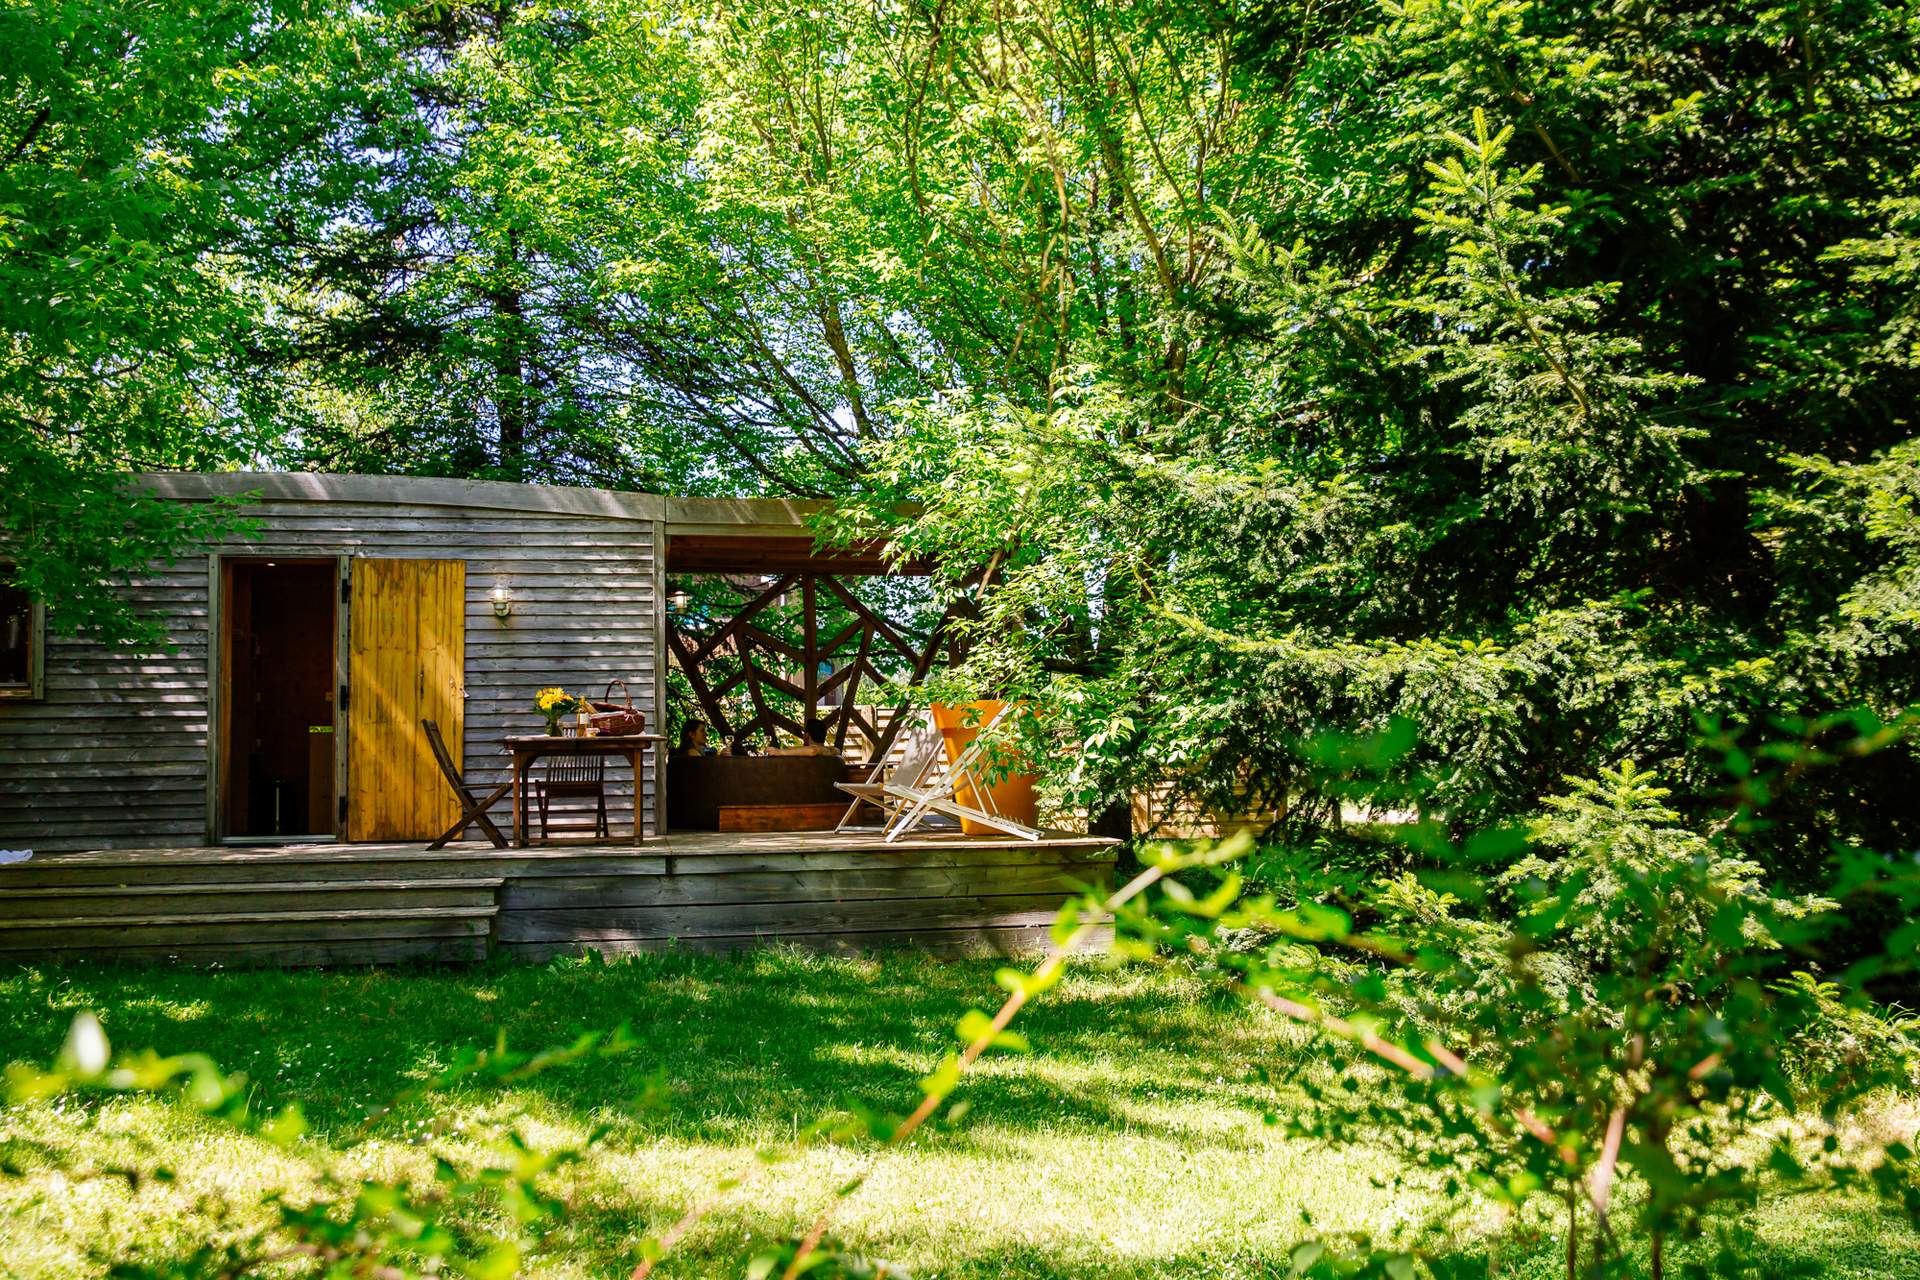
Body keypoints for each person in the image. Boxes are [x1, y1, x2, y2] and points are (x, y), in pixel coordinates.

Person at [766, 716, 839, 757]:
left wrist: (781, 752)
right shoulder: (831, 751)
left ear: (807, 735)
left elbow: (812, 750)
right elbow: (836, 750)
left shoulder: (819, 750)